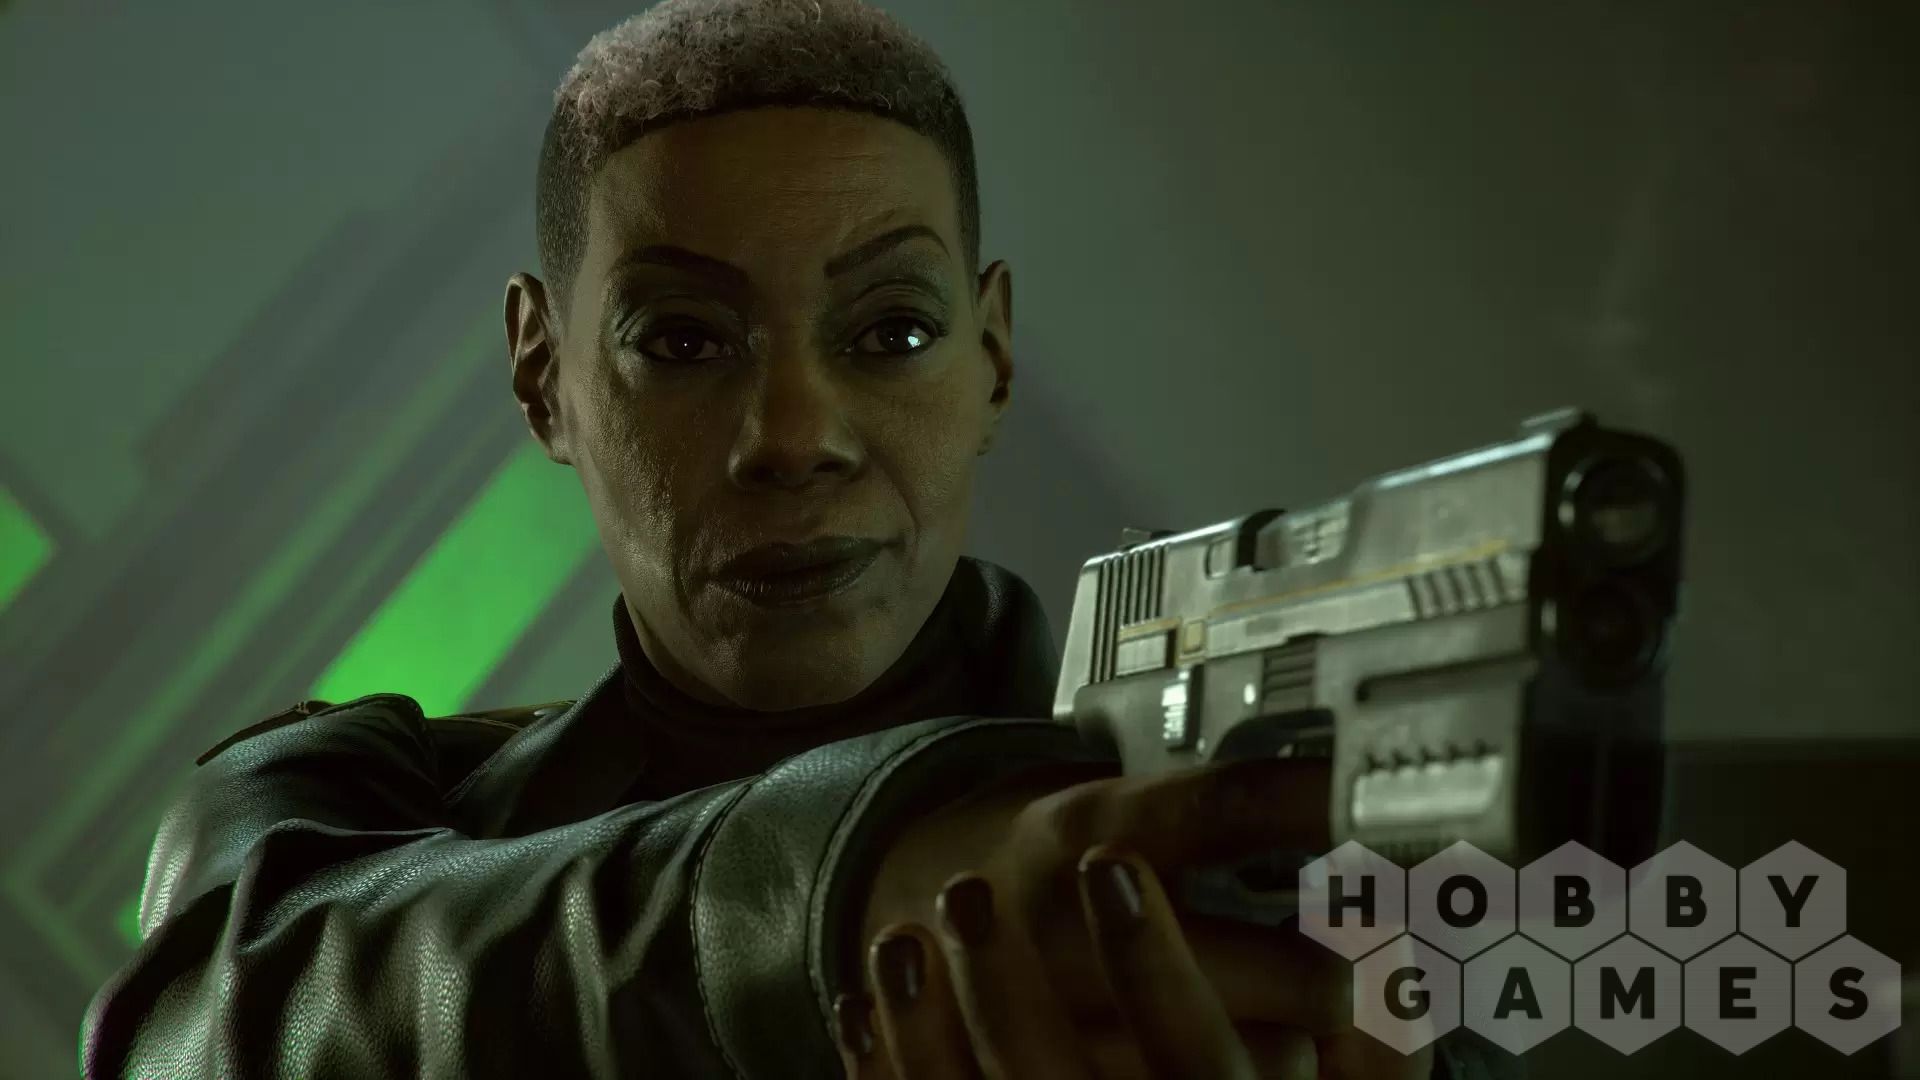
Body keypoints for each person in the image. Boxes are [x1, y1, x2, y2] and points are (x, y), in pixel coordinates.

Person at [80, 1, 1493, 1076]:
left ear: (994, 356)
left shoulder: (1297, 874)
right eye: (682, 341)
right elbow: (208, 1023)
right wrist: (860, 889)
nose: (795, 434)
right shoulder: (356, 806)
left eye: (895, 331)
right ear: (542, 374)